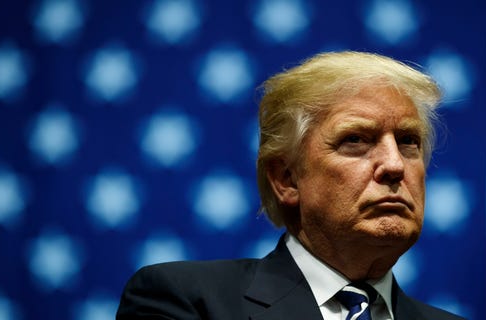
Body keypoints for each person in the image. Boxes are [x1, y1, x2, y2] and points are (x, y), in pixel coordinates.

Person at [116, 51, 465, 320]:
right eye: (356, 139)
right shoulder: (186, 302)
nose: (394, 165)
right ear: (286, 179)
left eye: (408, 142)